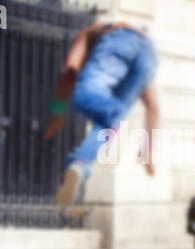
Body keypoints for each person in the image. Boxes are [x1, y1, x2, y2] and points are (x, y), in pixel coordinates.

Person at [45, 22, 159, 208]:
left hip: (120, 41)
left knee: (82, 96)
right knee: (109, 124)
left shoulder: (87, 34)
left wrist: (58, 112)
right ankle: (79, 164)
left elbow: (70, 71)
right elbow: (153, 106)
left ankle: (80, 162)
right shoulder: (141, 45)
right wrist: (148, 152)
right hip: (149, 55)